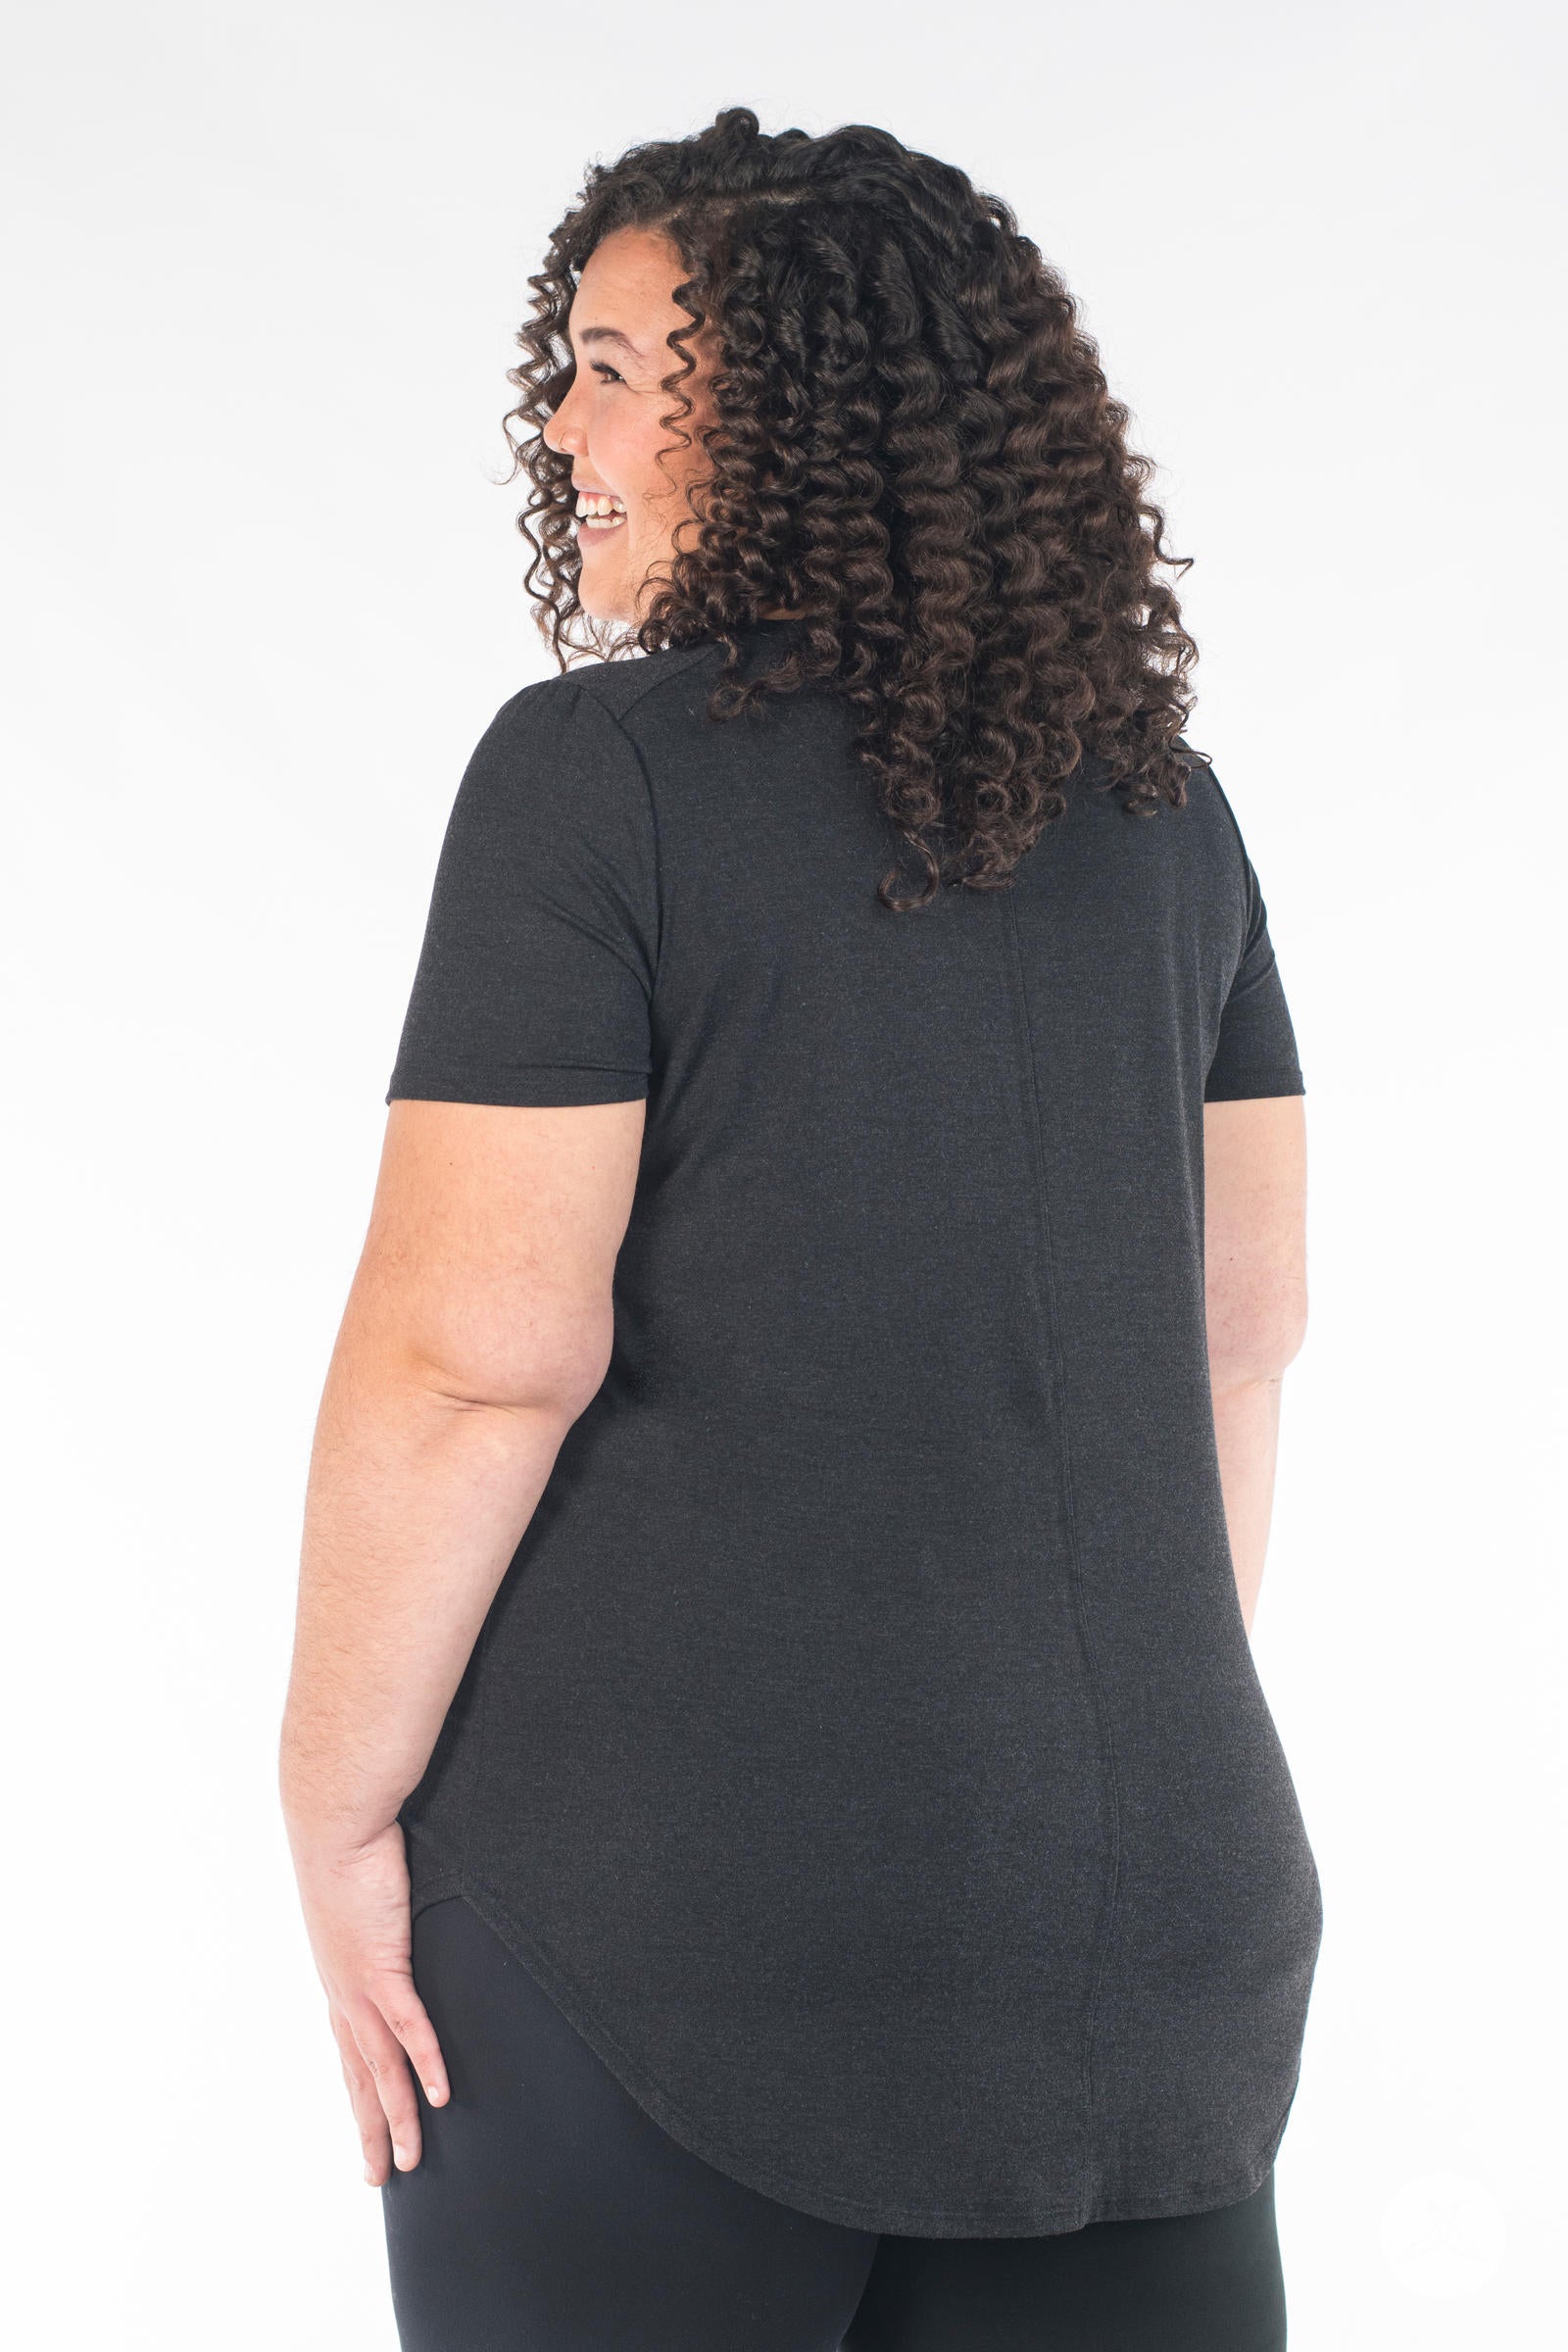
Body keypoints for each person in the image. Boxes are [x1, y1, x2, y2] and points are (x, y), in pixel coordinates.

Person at [279, 108, 1322, 2352]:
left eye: (612, 373)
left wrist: (328, 1803)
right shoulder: (1167, 817)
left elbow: (472, 1363)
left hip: (659, 1944)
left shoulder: (596, 780)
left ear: (792, 407)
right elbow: (1236, 1339)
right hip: (1148, 1933)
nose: (562, 433)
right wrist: (1050, 1766)